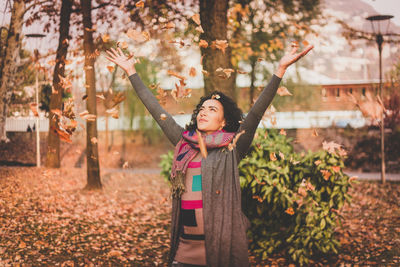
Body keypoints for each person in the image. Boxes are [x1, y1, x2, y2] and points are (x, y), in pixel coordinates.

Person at [106, 43, 313, 267]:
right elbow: (157, 111)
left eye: (212, 109)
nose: (204, 112)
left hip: (220, 255)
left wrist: (279, 70)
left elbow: (256, 113)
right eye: (202, 109)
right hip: (183, 255)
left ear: (224, 121)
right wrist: (131, 73)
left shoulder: (232, 147)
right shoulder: (183, 142)